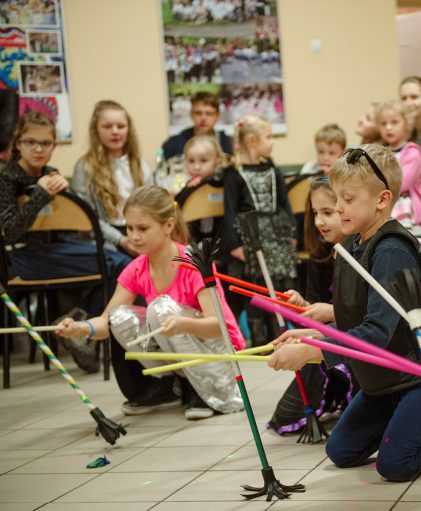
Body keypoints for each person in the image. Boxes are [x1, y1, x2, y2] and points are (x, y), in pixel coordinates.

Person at [267, 144, 421, 482]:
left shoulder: (391, 251)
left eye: (348, 199)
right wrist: (313, 334)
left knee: (395, 465)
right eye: (337, 198)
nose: (339, 207)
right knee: (340, 451)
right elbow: (357, 319)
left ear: (382, 199)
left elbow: (375, 331)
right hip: (388, 377)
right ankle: (410, 418)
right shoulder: (354, 246)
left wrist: (312, 351)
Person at [56, 185, 245, 420]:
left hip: (218, 348)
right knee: (120, 317)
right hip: (182, 344)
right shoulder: (134, 269)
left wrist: (183, 324)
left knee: (160, 308)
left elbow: (219, 325)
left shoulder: (195, 262)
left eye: (143, 228)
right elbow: (107, 322)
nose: (134, 236)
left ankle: (206, 386)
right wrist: (81, 328)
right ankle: (170, 386)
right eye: (130, 228)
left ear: (168, 225)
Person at [0, 112, 129, 315]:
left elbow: (76, 222)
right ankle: (82, 326)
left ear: (54, 146)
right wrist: (40, 195)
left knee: (123, 263)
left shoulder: (52, 172)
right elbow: (9, 232)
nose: (38, 149)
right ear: (18, 144)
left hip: (59, 248)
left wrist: (68, 196)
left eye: (46, 143)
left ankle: (79, 321)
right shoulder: (7, 178)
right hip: (25, 257)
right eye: (31, 142)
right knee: (121, 265)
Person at [269, 178, 355, 433]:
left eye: (328, 213)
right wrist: (301, 304)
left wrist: (330, 313)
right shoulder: (319, 257)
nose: (319, 221)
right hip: (322, 342)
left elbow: (364, 314)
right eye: (315, 213)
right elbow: (313, 311)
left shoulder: (360, 253)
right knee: (286, 417)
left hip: (353, 341)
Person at [221, 115, 296, 344]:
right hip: (251, 235)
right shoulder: (234, 173)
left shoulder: (272, 168)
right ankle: (259, 339)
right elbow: (230, 210)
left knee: (277, 286)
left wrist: (292, 231)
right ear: (252, 140)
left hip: (277, 234)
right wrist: (234, 244)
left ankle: (280, 334)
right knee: (258, 288)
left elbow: (284, 202)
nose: (272, 142)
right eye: (269, 137)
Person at [72, 100, 153, 257]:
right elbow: (87, 217)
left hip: (138, 232)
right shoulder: (84, 167)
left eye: (121, 126)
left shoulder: (139, 163)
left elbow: (152, 206)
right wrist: (121, 240)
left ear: (128, 130)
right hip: (106, 239)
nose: (115, 131)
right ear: (96, 130)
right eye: (107, 126)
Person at [376, 100, 421, 256]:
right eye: (383, 123)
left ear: (406, 124)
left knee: (418, 259)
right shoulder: (380, 153)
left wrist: (377, 183)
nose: (388, 127)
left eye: (394, 122)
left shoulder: (412, 152)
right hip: (389, 210)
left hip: (412, 216)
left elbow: (401, 183)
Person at [173, 134, 228, 242]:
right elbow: (178, 209)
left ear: (217, 161)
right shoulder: (188, 184)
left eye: (203, 161)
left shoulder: (223, 182)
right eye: (191, 161)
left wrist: (202, 183)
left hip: (221, 243)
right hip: (192, 241)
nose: (196, 167)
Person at [161, 91, 234, 159]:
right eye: (198, 113)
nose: (203, 118)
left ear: (217, 116)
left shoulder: (229, 144)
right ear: (191, 114)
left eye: (209, 113)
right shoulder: (173, 144)